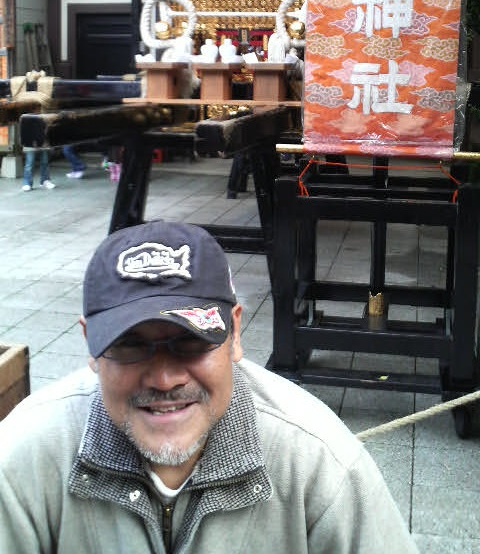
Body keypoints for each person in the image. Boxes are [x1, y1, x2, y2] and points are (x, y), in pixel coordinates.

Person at [0, 221, 419, 554]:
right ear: (90, 345)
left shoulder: (317, 464)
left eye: (191, 341)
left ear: (235, 335)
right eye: (130, 344)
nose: (164, 379)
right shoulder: (24, 459)